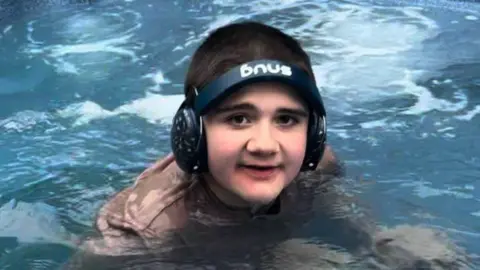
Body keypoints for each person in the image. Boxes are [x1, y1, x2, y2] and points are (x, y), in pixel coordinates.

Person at [64, 21, 471, 269]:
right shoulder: (139, 232)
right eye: (238, 118)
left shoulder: (315, 164)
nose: (265, 144)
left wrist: (375, 240)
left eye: (287, 120)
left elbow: (340, 214)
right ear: (192, 131)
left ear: (312, 136)